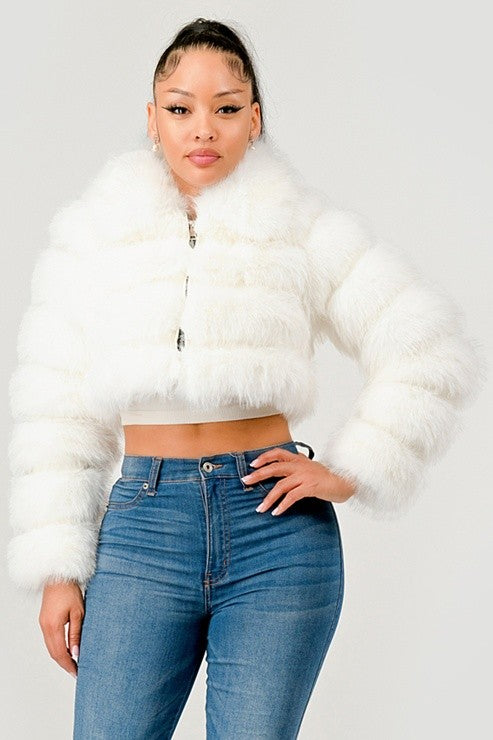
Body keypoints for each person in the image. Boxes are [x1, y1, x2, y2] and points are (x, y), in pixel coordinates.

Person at [6, 16, 486, 740]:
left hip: (275, 534)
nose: (203, 127)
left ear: (253, 119)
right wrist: (57, 566)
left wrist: (354, 469)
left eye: (226, 108)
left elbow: (428, 343)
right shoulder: (94, 237)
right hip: (143, 530)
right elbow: (55, 410)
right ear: (152, 118)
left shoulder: (299, 227)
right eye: (181, 108)